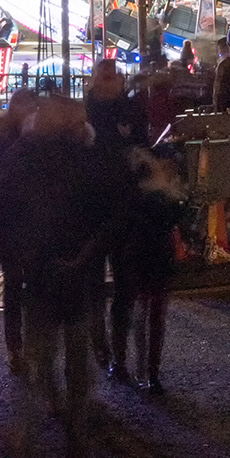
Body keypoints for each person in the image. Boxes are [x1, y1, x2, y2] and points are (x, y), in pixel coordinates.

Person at [0, 92, 117, 458]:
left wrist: (21, 256)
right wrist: (88, 251)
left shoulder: (22, 156)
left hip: (42, 269)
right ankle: (74, 424)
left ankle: (35, 425)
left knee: (43, 350)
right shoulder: (84, 160)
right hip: (75, 267)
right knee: (75, 350)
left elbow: (3, 207)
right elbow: (105, 211)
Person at [83, 61, 149, 375]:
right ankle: (102, 346)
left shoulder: (131, 109)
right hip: (94, 207)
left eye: (113, 78)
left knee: (125, 283)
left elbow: (143, 147)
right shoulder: (83, 112)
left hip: (123, 204)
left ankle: (118, 353)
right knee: (95, 283)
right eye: (104, 77)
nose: (109, 83)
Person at [0, 87, 37, 373]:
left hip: (23, 220)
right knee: (16, 284)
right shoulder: (8, 141)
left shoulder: (32, 140)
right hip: (13, 220)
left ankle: (26, 344)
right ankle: (17, 347)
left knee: (25, 284)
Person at [120, 148, 184, 393]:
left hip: (141, 257)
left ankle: (144, 369)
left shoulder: (138, 193)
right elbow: (176, 214)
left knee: (145, 313)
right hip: (155, 258)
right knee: (153, 315)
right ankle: (150, 372)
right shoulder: (158, 197)